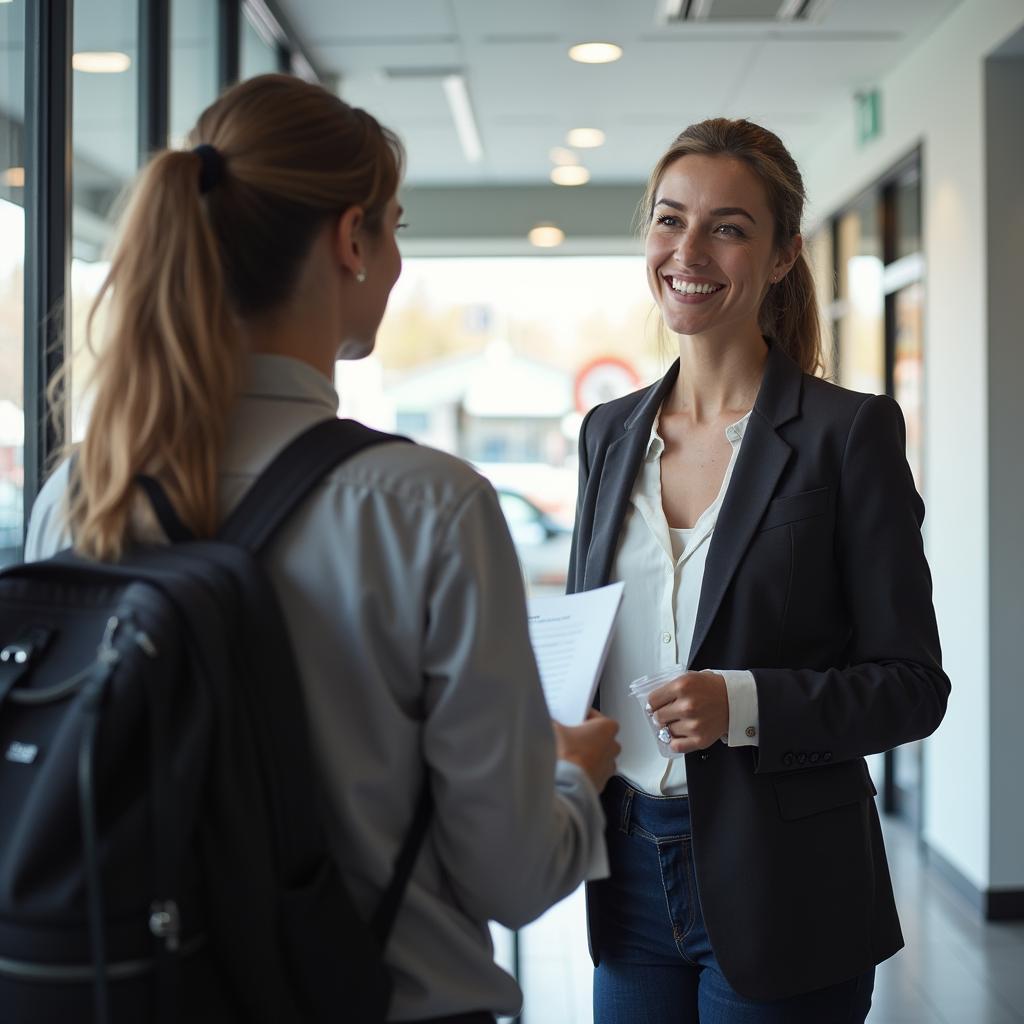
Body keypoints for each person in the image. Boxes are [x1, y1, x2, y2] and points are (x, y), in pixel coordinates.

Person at [24, 74, 620, 1024]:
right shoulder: (430, 507)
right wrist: (573, 777)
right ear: (352, 239)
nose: (393, 264)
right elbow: (509, 876)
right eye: (396, 230)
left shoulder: (77, 495)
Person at [567, 118, 950, 1024]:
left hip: (786, 885)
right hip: (626, 875)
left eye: (728, 227)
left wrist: (740, 703)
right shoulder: (606, 432)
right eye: (669, 220)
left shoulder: (846, 434)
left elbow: (911, 687)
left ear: (781, 257)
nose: (688, 250)